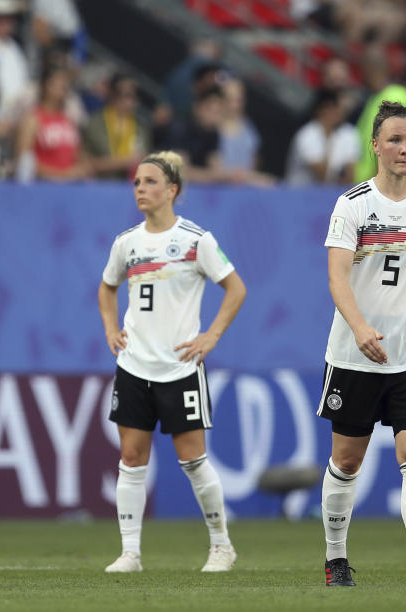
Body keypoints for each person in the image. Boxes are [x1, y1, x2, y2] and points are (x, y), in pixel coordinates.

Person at [319, 101, 406, 587]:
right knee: (347, 460)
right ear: (374, 145)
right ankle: (335, 561)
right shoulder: (353, 204)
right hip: (355, 354)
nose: (404, 148)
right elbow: (337, 277)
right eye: (395, 139)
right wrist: (359, 328)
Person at [98, 151, 247, 573]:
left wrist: (211, 336)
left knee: (193, 460)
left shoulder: (196, 240)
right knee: (131, 456)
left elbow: (235, 289)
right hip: (133, 365)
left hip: (179, 367)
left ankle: (222, 546)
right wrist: (111, 329)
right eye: (136, 183)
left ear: (172, 191)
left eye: (149, 182)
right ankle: (130, 553)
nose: (140, 189)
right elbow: (107, 288)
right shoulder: (127, 243)